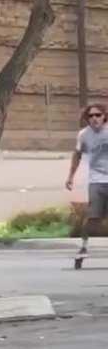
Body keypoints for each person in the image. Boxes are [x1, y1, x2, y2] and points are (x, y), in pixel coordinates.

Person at [66, 102, 108, 254]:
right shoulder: (84, 135)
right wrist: (71, 176)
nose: (94, 118)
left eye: (98, 115)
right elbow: (77, 155)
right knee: (93, 218)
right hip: (96, 181)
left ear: (104, 117)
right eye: (91, 116)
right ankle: (84, 246)